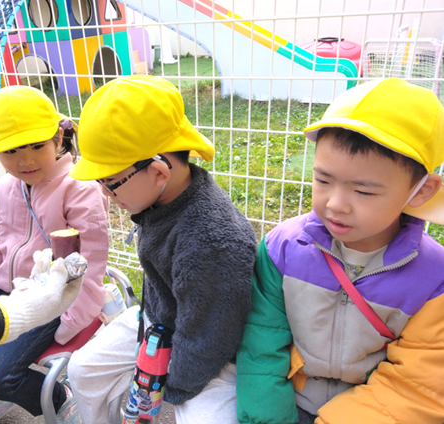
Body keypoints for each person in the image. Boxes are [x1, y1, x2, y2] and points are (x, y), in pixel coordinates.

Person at [236, 78, 444, 424]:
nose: (335, 204)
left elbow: (415, 387)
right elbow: (261, 344)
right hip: (286, 403)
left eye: (363, 192)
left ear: (421, 191)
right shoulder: (282, 249)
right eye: (323, 180)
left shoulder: (435, 280)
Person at [66, 75, 257, 424]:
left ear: (157, 171)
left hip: (211, 353)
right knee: (83, 369)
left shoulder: (210, 242)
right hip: (158, 320)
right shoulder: (162, 197)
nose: (104, 193)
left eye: (109, 183)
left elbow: (212, 335)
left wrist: (166, 385)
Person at [0, 85, 109, 424]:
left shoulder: (80, 188)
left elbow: (90, 262)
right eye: (11, 151)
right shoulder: (5, 187)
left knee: (0, 377)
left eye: (37, 146)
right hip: (6, 290)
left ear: (58, 138)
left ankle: (60, 399)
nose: (25, 160)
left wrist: (70, 323)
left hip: (54, 297)